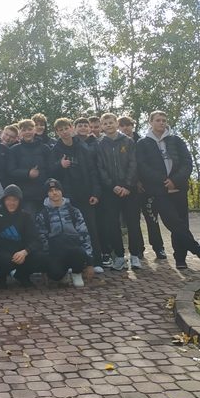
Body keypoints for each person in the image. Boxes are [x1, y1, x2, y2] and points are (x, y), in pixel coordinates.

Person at [136, 111, 200, 269]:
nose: (161, 123)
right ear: (150, 122)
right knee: (173, 223)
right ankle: (198, 250)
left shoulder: (176, 140)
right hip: (159, 191)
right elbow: (142, 167)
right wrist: (163, 181)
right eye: (158, 120)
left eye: (164, 120)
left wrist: (175, 180)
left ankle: (180, 259)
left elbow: (187, 163)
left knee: (182, 224)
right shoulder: (143, 143)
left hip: (178, 189)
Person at [51, 118, 104, 273]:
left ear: (71, 128)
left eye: (66, 128)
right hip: (66, 197)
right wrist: (59, 166)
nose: (64, 132)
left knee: (90, 229)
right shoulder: (55, 150)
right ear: (57, 132)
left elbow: (93, 171)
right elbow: (50, 173)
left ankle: (95, 261)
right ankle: (72, 264)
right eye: (60, 130)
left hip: (85, 194)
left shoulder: (84, 147)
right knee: (69, 231)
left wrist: (96, 192)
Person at [96, 113, 142, 271]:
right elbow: (100, 168)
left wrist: (127, 185)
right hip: (111, 191)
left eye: (111, 122)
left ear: (117, 123)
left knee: (133, 223)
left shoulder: (128, 141)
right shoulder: (100, 144)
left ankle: (135, 255)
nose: (108, 125)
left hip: (130, 190)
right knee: (112, 224)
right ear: (101, 126)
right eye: (105, 123)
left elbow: (134, 164)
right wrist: (112, 186)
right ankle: (120, 256)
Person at [119, 115, 166, 259]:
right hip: (130, 188)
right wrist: (133, 182)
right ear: (119, 127)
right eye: (123, 125)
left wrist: (142, 181)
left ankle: (159, 248)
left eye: (128, 125)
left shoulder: (143, 141)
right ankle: (138, 249)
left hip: (146, 187)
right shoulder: (118, 143)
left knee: (151, 218)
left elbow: (144, 164)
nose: (126, 128)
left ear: (133, 126)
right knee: (133, 221)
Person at [35, 179, 93, 288]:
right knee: (55, 273)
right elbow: (42, 238)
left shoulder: (74, 211)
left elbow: (84, 234)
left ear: (62, 191)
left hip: (74, 249)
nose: (54, 193)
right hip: (56, 253)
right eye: (51, 191)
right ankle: (63, 274)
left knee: (79, 253)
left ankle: (76, 273)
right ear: (47, 194)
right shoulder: (43, 215)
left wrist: (89, 262)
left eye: (57, 189)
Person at [7, 119, 52, 218]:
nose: (27, 132)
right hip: (26, 196)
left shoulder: (45, 148)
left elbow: (51, 170)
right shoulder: (14, 150)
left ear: (34, 130)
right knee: (30, 224)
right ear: (20, 133)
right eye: (24, 130)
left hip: (45, 194)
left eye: (30, 129)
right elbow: (11, 171)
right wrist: (28, 173)